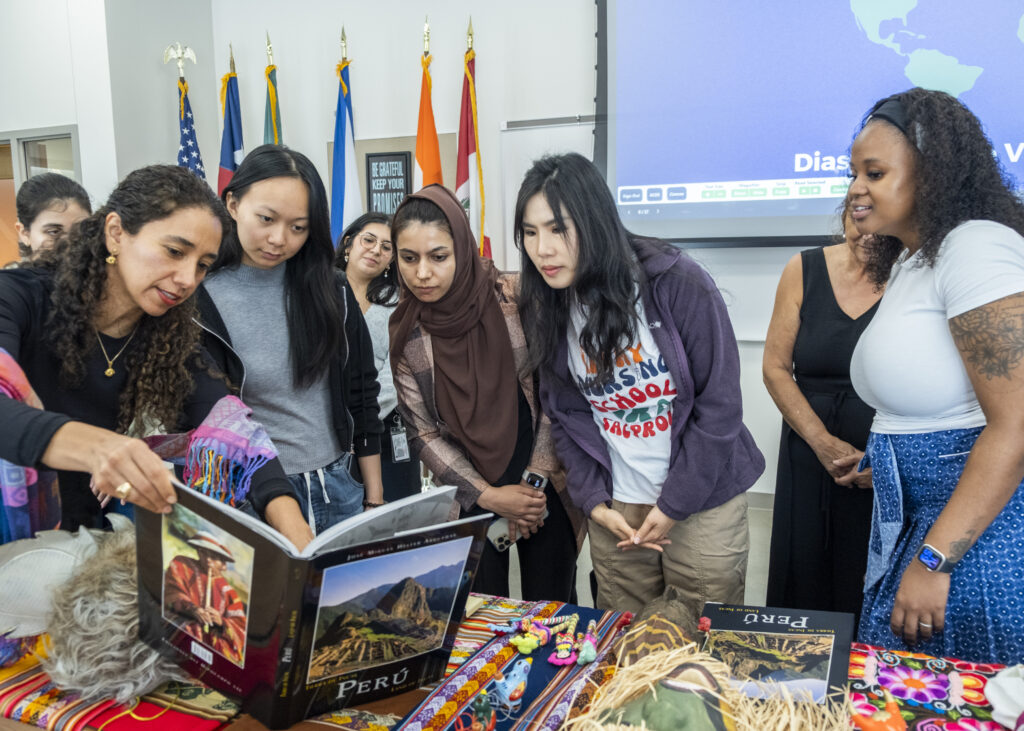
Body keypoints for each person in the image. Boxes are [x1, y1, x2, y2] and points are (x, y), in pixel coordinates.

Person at [0, 165, 312, 549]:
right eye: (174, 251)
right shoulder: (18, 297)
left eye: (202, 265)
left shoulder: (167, 335)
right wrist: (99, 447)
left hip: (80, 541)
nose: (187, 279)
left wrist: (299, 537)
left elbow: (235, 434)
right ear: (116, 233)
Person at [515, 153, 764, 617]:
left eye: (557, 229)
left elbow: (720, 407)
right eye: (530, 233)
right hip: (618, 506)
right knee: (624, 642)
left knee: (700, 643)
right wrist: (593, 502)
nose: (542, 249)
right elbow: (566, 415)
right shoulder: (545, 304)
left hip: (701, 500)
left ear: (595, 220)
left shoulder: (676, 282)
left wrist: (673, 505)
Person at [848, 88, 1024, 662]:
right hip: (922, 524)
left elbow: (1015, 426)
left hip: (977, 544)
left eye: (875, 173)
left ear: (932, 173)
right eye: (854, 173)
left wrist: (935, 560)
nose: (856, 190)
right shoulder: (915, 258)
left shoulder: (975, 249)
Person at [389, 184, 585, 602]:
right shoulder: (407, 334)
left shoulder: (516, 298)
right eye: (409, 259)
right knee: (480, 617)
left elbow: (555, 394)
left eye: (438, 257)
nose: (422, 273)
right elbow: (422, 434)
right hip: (471, 495)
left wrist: (531, 489)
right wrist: (490, 496)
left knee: (554, 615)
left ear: (461, 248)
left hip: (543, 485)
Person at [198, 145, 384, 535]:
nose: (279, 239)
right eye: (266, 219)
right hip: (250, 494)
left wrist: (373, 497)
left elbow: (362, 393)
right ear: (232, 204)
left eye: (298, 227)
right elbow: (209, 413)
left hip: (337, 486)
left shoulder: (331, 289)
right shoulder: (199, 296)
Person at [763, 202, 881, 621]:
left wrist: (882, 462)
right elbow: (775, 368)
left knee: (864, 580)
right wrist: (821, 442)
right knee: (804, 573)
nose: (865, 231)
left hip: (880, 468)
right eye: (856, 215)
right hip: (809, 456)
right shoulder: (803, 268)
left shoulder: (916, 278)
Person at [336, 212, 420, 502]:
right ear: (348, 244)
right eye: (368, 240)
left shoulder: (401, 305)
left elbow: (396, 370)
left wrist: (359, 411)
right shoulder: (319, 293)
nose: (376, 250)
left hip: (385, 429)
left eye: (387, 247)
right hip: (329, 434)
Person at [164, 530, 248, 664]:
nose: (208, 560)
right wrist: (192, 608)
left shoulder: (229, 592)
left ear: (223, 565)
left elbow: (240, 628)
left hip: (211, 642)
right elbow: (171, 592)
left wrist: (221, 622)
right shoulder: (182, 564)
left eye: (214, 557)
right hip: (181, 627)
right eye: (203, 553)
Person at [13, 173, 91, 262]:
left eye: (80, 230)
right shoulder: (8, 276)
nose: (69, 244)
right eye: (54, 232)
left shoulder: (102, 272)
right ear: (25, 234)